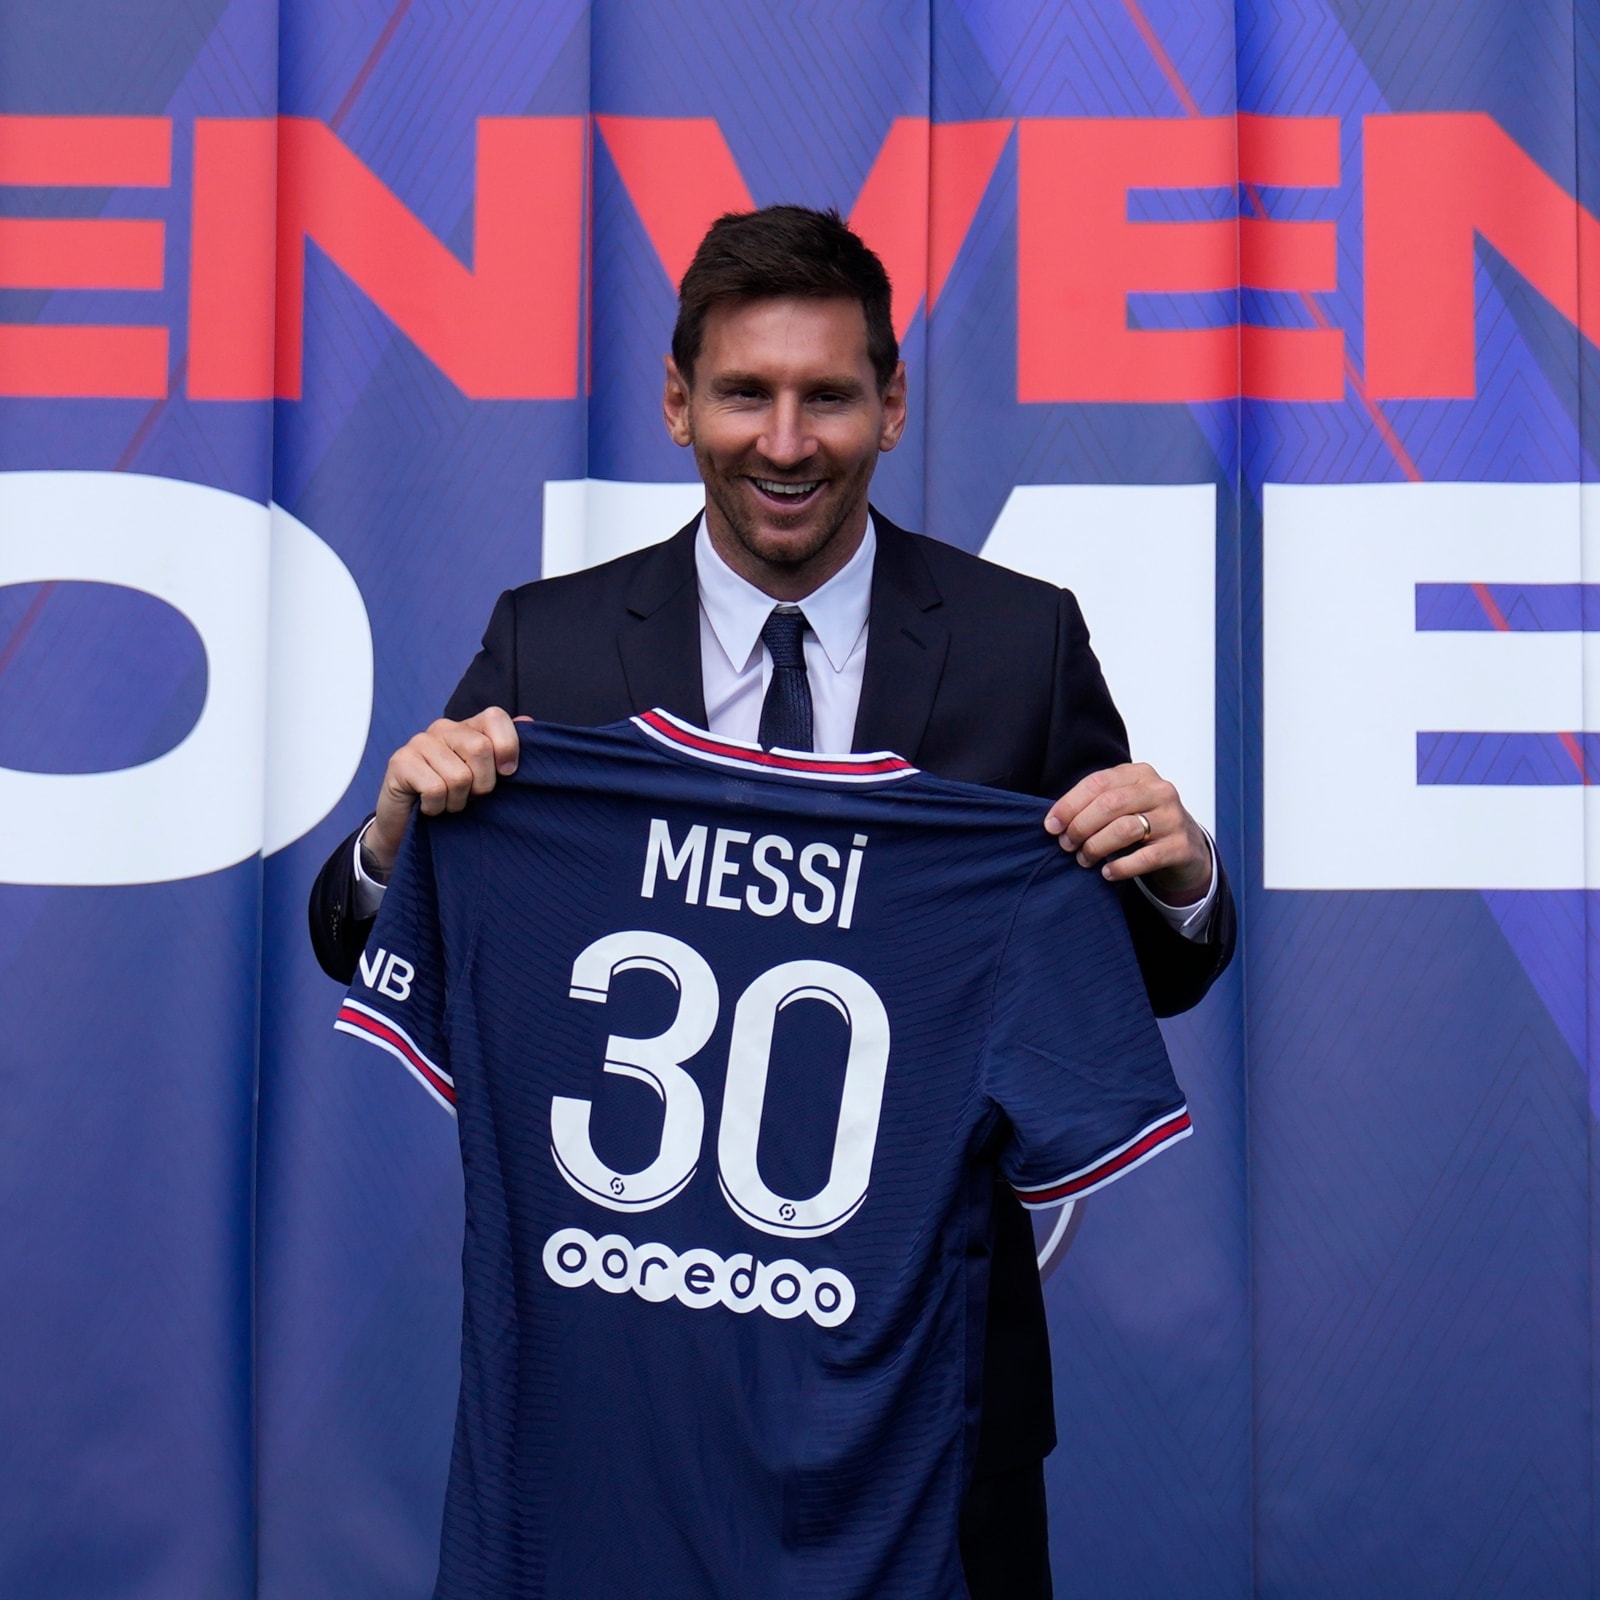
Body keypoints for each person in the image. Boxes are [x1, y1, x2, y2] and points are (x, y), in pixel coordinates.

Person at [309, 204, 1235, 1599]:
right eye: (747, 393)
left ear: (894, 406)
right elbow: (362, 930)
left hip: (940, 1400)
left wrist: (1183, 880)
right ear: (680, 403)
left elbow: (1136, 973)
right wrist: (391, 842)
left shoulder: (1016, 642)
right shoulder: (549, 647)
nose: (787, 441)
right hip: (625, 1395)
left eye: (829, 397)